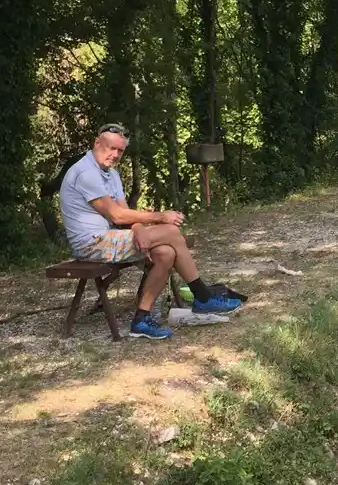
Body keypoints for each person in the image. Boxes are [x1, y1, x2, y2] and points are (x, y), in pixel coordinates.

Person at [59, 123, 241, 340]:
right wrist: (158, 216)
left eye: (120, 151)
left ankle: (141, 320)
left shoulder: (111, 173)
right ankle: (202, 296)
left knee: (166, 253)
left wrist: (138, 228)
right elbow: (116, 216)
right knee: (171, 232)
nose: (115, 155)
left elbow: (124, 213)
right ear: (97, 143)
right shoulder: (85, 173)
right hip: (92, 243)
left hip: (112, 238)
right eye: (111, 148)